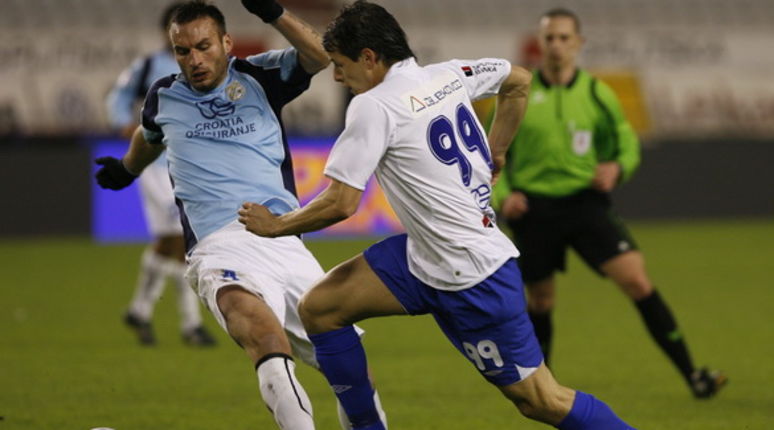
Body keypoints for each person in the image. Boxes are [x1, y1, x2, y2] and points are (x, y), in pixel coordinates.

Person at [238, 2, 636, 428]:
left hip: (472, 274)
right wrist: (496, 149)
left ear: (369, 58)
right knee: (318, 308)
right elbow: (519, 81)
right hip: (423, 256)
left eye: (339, 64)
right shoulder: (448, 75)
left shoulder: (374, 106)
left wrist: (278, 226)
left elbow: (341, 203)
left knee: (542, 400)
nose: (336, 76)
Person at [95, 1, 386, 428]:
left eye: (203, 46)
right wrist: (127, 168)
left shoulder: (260, 77)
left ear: (226, 43)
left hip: (282, 237)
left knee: (350, 370)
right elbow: (148, 134)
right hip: (219, 246)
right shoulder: (164, 96)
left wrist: (272, 11)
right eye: (182, 51)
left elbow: (320, 56)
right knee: (264, 337)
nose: (194, 60)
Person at [491, 8, 727, 398]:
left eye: (565, 38)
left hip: (585, 205)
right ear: (540, 43)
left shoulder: (597, 94)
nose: (556, 45)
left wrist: (617, 168)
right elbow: (491, 155)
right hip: (534, 210)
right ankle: (543, 392)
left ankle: (693, 375)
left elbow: (626, 143)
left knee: (636, 280)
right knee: (542, 300)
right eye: (549, 38)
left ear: (579, 44)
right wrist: (505, 195)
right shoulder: (519, 93)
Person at [105, 1, 215, 347]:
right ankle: (190, 325)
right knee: (183, 241)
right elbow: (118, 96)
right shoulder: (151, 65)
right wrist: (123, 123)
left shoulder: (208, 66)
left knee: (170, 243)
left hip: (190, 162)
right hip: (154, 164)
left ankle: (140, 310)